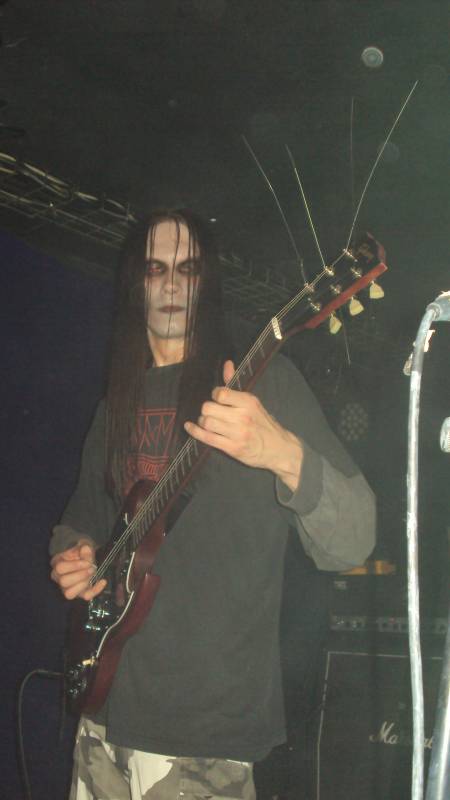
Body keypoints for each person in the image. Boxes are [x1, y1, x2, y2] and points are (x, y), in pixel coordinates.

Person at [50, 208, 376, 800]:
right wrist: (72, 554)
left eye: (188, 269)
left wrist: (283, 453)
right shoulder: (114, 406)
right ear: (135, 285)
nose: (172, 284)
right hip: (103, 715)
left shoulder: (266, 387)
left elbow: (354, 541)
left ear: (208, 284)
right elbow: (79, 519)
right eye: (156, 269)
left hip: (203, 735)